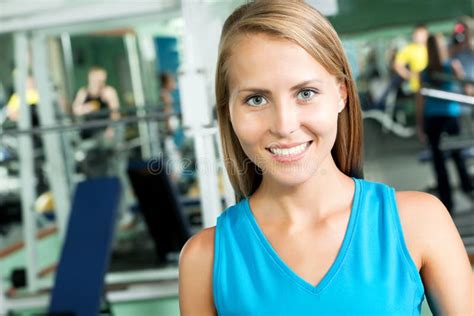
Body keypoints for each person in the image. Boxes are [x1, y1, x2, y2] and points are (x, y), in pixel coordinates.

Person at [179, 1, 472, 315]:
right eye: (256, 98)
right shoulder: (204, 259)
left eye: (305, 93)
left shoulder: (420, 221)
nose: (284, 125)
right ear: (229, 113)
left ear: (341, 94)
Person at [416, 33, 473, 213]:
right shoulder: (452, 66)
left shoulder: (425, 73)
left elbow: (420, 102)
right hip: (450, 117)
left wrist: (419, 125)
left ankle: (448, 203)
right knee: (458, 159)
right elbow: (468, 90)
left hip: (432, 120)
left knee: (439, 163)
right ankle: (468, 191)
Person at [377, 24, 428, 118]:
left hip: (429, 86)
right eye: (416, 33)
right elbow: (397, 65)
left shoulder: (430, 48)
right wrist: (409, 75)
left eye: (420, 34)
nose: (417, 36)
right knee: (420, 114)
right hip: (416, 87)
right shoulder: (409, 49)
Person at [72, 66, 120, 140]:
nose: (100, 82)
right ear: (90, 79)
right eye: (96, 79)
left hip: (104, 130)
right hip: (88, 129)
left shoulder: (108, 91)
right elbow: (76, 110)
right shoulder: (83, 92)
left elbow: (115, 113)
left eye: (101, 79)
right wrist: (88, 107)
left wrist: (111, 129)